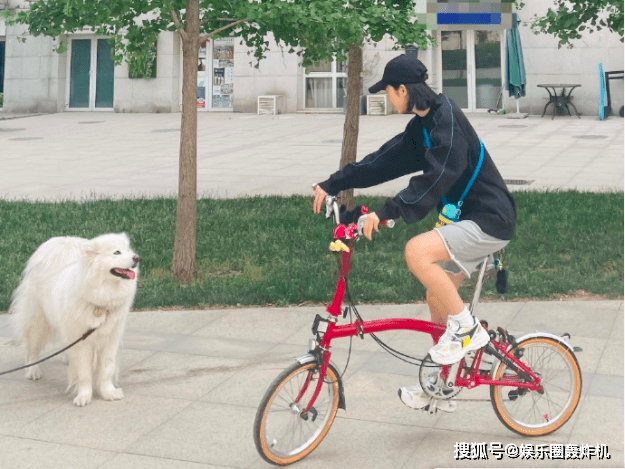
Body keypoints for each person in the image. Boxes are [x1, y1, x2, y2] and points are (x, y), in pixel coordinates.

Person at [312, 54, 516, 412]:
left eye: (389, 92)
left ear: (404, 90)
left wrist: (389, 211)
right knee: (437, 297)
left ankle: (467, 331)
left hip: (488, 218)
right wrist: (332, 184)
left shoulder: (446, 121)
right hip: (464, 219)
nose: (388, 98)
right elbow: (382, 161)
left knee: (417, 252)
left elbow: (436, 179)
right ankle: (443, 385)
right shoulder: (424, 124)